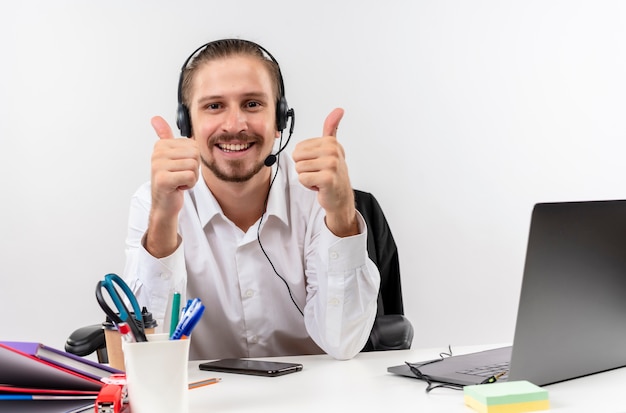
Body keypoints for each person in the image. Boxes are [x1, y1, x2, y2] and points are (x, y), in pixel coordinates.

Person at [123, 38, 380, 360]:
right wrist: (163, 220)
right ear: (186, 124)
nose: (235, 125)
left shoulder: (315, 196)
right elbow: (147, 351)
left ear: (280, 121)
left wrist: (341, 215)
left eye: (253, 104)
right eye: (214, 106)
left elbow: (343, 342)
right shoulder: (152, 202)